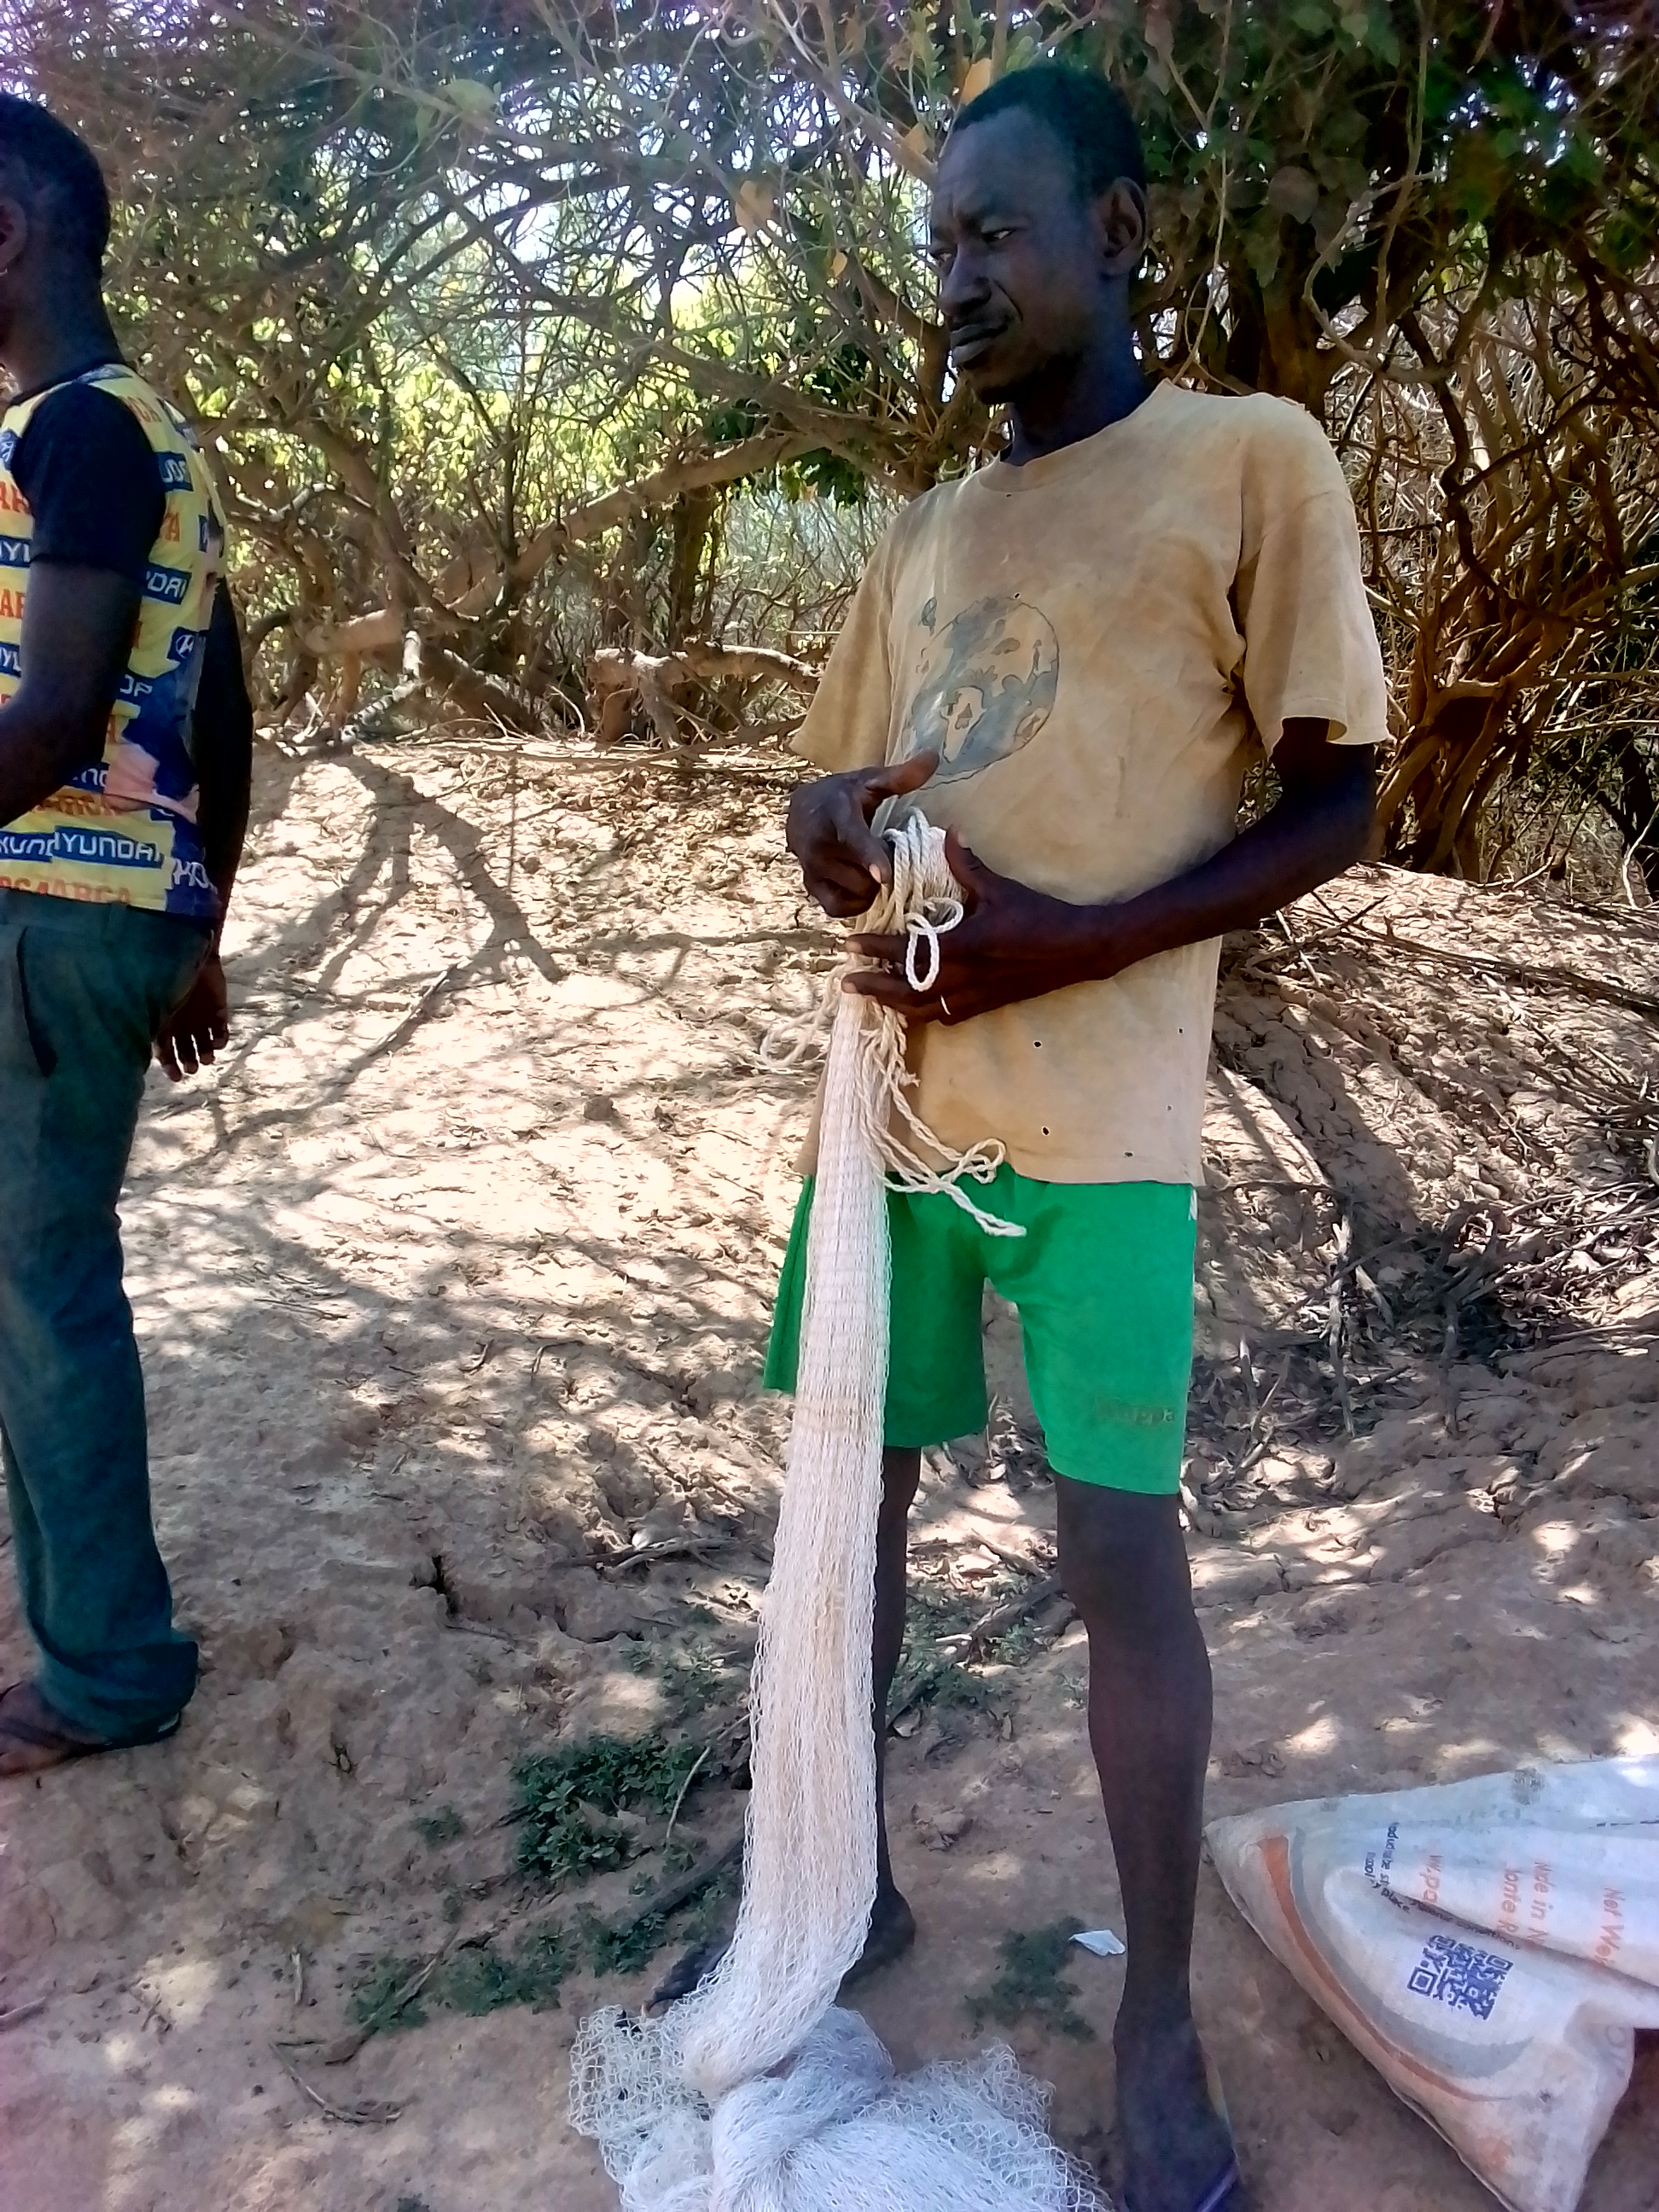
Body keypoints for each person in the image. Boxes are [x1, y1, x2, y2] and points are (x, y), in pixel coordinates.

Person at [756, 65, 1384, 2212]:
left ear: (1120, 232)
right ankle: (843, 1890)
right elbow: (820, 800)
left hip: (1102, 1116)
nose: (961, 276)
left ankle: (1156, 2027)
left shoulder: (1244, 462)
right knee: (861, 1508)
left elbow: (1339, 800)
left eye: (999, 233)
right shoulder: (928, 530)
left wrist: (1070, 947)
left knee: (1120, 1552)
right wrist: (836, 834)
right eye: (941, 241)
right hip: (896, 1106)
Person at [0, 96, 253, 1775]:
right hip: (114, 917)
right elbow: (224, 709)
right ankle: (92, 1641)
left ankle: (106, 1671)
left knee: (44, 1287)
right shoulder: (153, 432)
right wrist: (203, 919)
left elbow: (61, 715)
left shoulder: (73, 432)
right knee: (36, 1275)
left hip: (48, 913)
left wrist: (175, 914)